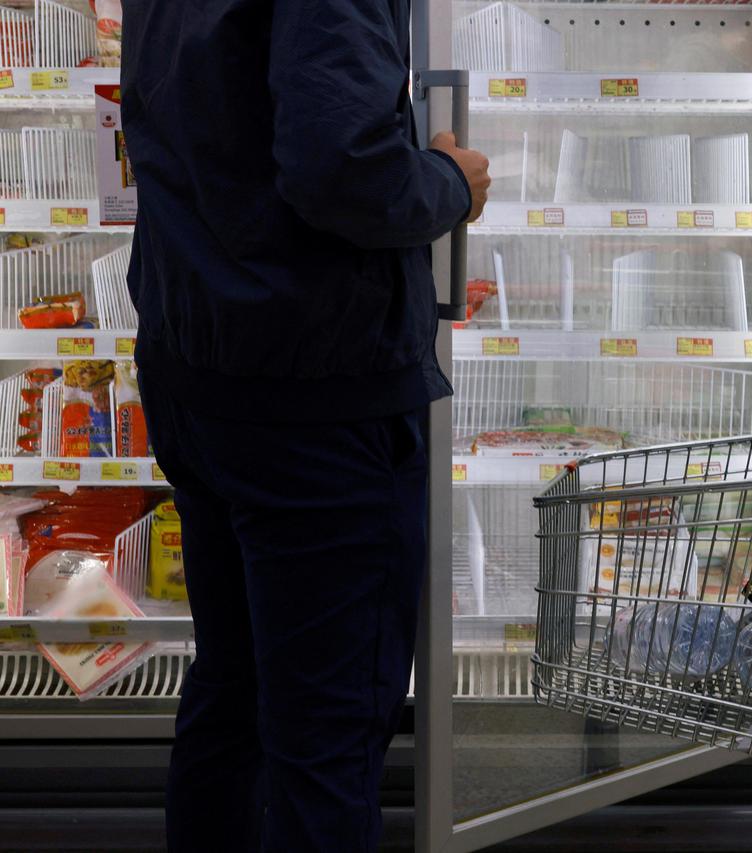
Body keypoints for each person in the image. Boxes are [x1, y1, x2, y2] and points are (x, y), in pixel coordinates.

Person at [120, 2, 490, 850]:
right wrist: (448, 182)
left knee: (234, 692)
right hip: (312, 398)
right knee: (324, 748)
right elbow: (342, 168)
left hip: (199, 363)